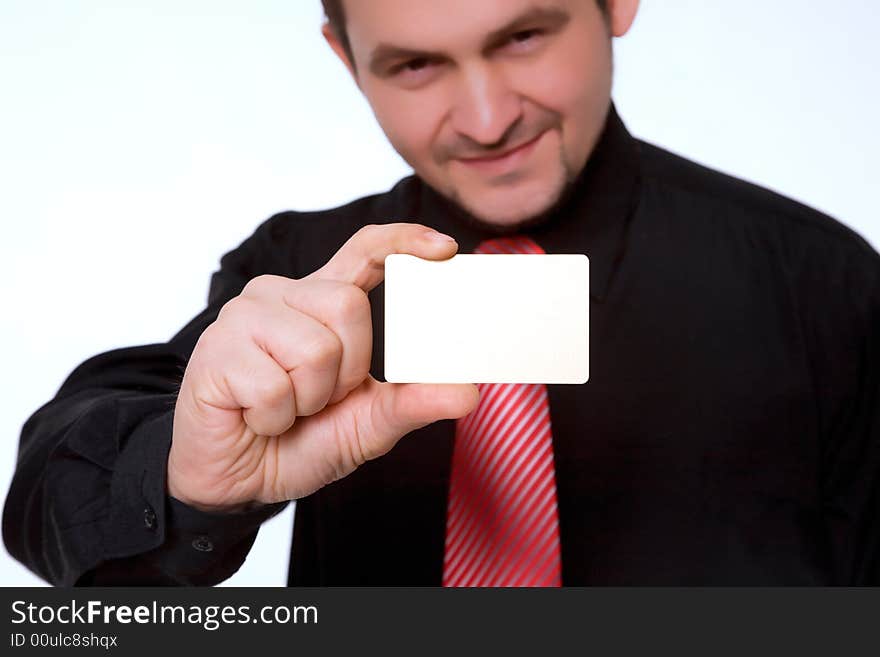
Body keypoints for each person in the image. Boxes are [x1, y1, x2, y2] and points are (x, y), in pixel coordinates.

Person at [4, 0, 879, 586]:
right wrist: (194, 476)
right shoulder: (299, 273)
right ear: (347, 60)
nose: (489, 119)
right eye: (417, 66)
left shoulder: (825, 282)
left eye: (522, 37)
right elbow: (47, 499)